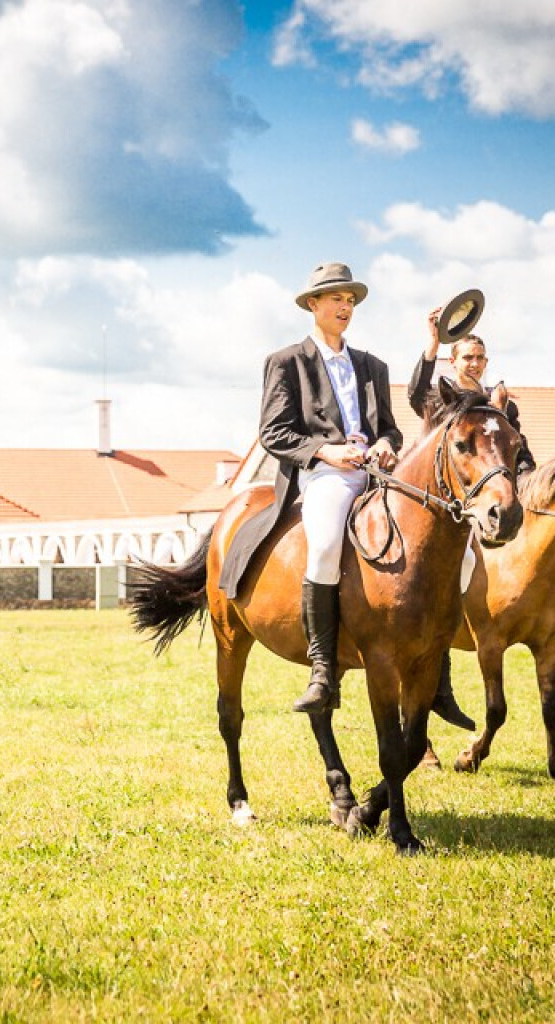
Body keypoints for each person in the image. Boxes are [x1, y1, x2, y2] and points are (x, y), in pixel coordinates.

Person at [216, 262, 401, 715]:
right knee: (324, 545)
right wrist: (327, 452)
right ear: (313, 304)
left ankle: (439, 679)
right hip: (325, 474)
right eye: (337, 298)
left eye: (350, 300)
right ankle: (322, 668)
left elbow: (390, 429)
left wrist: (385, 444)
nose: (345, 307)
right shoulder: (286, 362)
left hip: (375, 474)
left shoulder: (373, 366)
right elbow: (274, 433)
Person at [410, 323, 555, 676]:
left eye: (480, 358)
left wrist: (529, 483)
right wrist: (432, 345)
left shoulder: (501, 404)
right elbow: (416, 393)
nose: (474, 363)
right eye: (468, 357)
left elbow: (518, 450)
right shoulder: (442, 397)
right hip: (460, 501)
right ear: (454, 361)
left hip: (504, 495)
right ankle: (439, 657)